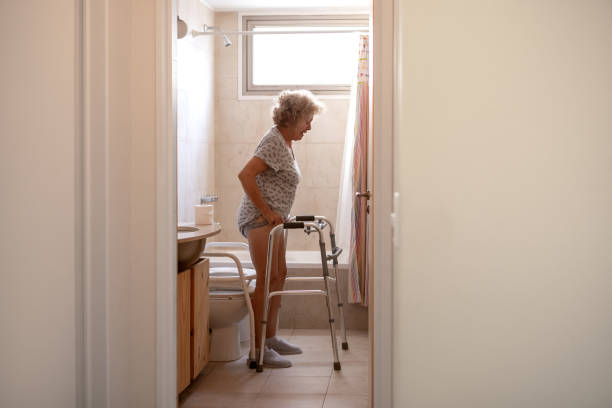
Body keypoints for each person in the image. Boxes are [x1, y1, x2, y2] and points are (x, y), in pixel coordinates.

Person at [237, 90, 324, 368]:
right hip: (260, 220)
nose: (309, 127)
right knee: (266, 280)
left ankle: (271, 338)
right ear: (293, 117)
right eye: (307, 121)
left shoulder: (285, 142)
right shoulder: (274, 140)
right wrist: (266, 211)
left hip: (275, 220)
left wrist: (279, 214)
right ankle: (258, 349)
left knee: (279, 275)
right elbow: (245, 175)